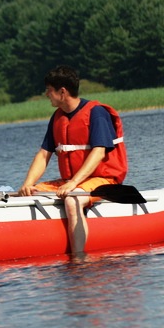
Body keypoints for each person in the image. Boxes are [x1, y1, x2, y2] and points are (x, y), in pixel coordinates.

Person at [16, 66, 128, 254]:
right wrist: (28, 183)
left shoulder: (97, 113)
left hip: (105, 180)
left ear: (62, 92)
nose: (46, 95)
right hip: (72, 181)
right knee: (32, 192)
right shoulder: (57, 117)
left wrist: (74, 184)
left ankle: (79, 260)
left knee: (72, 201)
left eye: (49, 90)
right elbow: (44, 154)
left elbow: (99, 152)